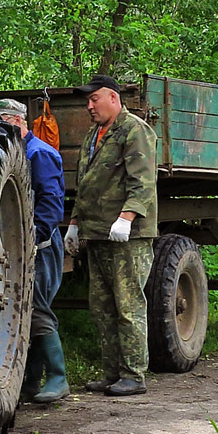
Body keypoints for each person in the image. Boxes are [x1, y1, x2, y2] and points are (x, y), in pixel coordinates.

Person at [63, 75, 158, 397]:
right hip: (98, 232)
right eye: (87, 101)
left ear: (114, 98)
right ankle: (112, 372)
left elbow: (143, 181)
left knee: (128, 305)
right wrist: (75, 222)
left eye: (95, 99)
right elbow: (86, 182)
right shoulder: (94, 133)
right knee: (102, 306)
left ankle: (134, 374)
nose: (89, 106)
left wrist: (126, 218)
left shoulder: (135, 130)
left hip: (126, 236)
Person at [0, 98, 69, 403]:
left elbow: (51, 205)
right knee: (22, 306)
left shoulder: (40, 153)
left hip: (42, 243)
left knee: (35, 305)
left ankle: (58, 377)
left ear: (14, 122)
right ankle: (30, 381)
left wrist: (31, 243)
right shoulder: (20, 151)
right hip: (24, 242)